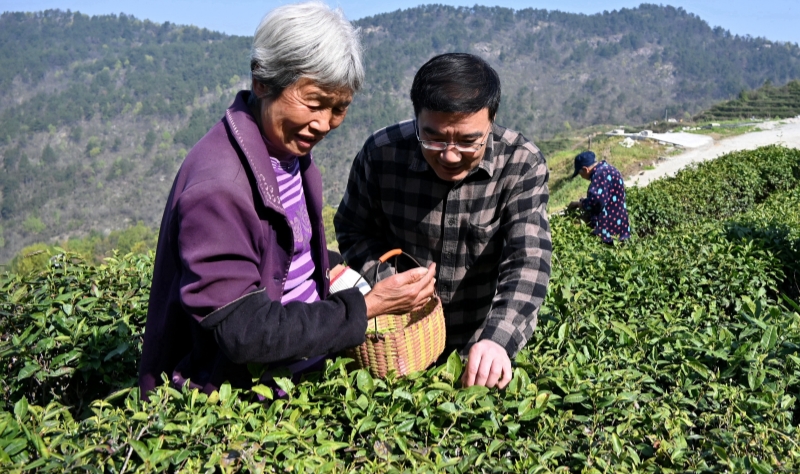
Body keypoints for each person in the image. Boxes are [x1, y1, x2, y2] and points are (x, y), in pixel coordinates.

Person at [139, 1, 436, 397]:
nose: (324, 124)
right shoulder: (220, 188)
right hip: (239, 402)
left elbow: (287, 252)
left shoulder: (287, 153)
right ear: (263, 81)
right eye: (314, 103)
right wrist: (366, 307)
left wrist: (344, 273)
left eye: (339, 108)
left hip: (296, 381)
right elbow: (245, 331)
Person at [334, 53, 552, 390]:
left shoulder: (520, 164)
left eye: (468, 141)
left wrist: (498, 340)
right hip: (398, 349)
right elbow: (353, 228)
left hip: (477, 349)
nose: (450, 155)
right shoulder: (382, 154)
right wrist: (392, 283)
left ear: (491, 121)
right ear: (417, 118)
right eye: (433, 138)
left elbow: (528, 260)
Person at [567, 151, 631, 243]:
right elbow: (606, 197)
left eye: (580, 173)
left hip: (608, 230)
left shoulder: (599, 175)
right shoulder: (610, 169)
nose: (581, 176)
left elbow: (597, 201)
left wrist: (580, 204)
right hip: (620, 225)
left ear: (585, 169)